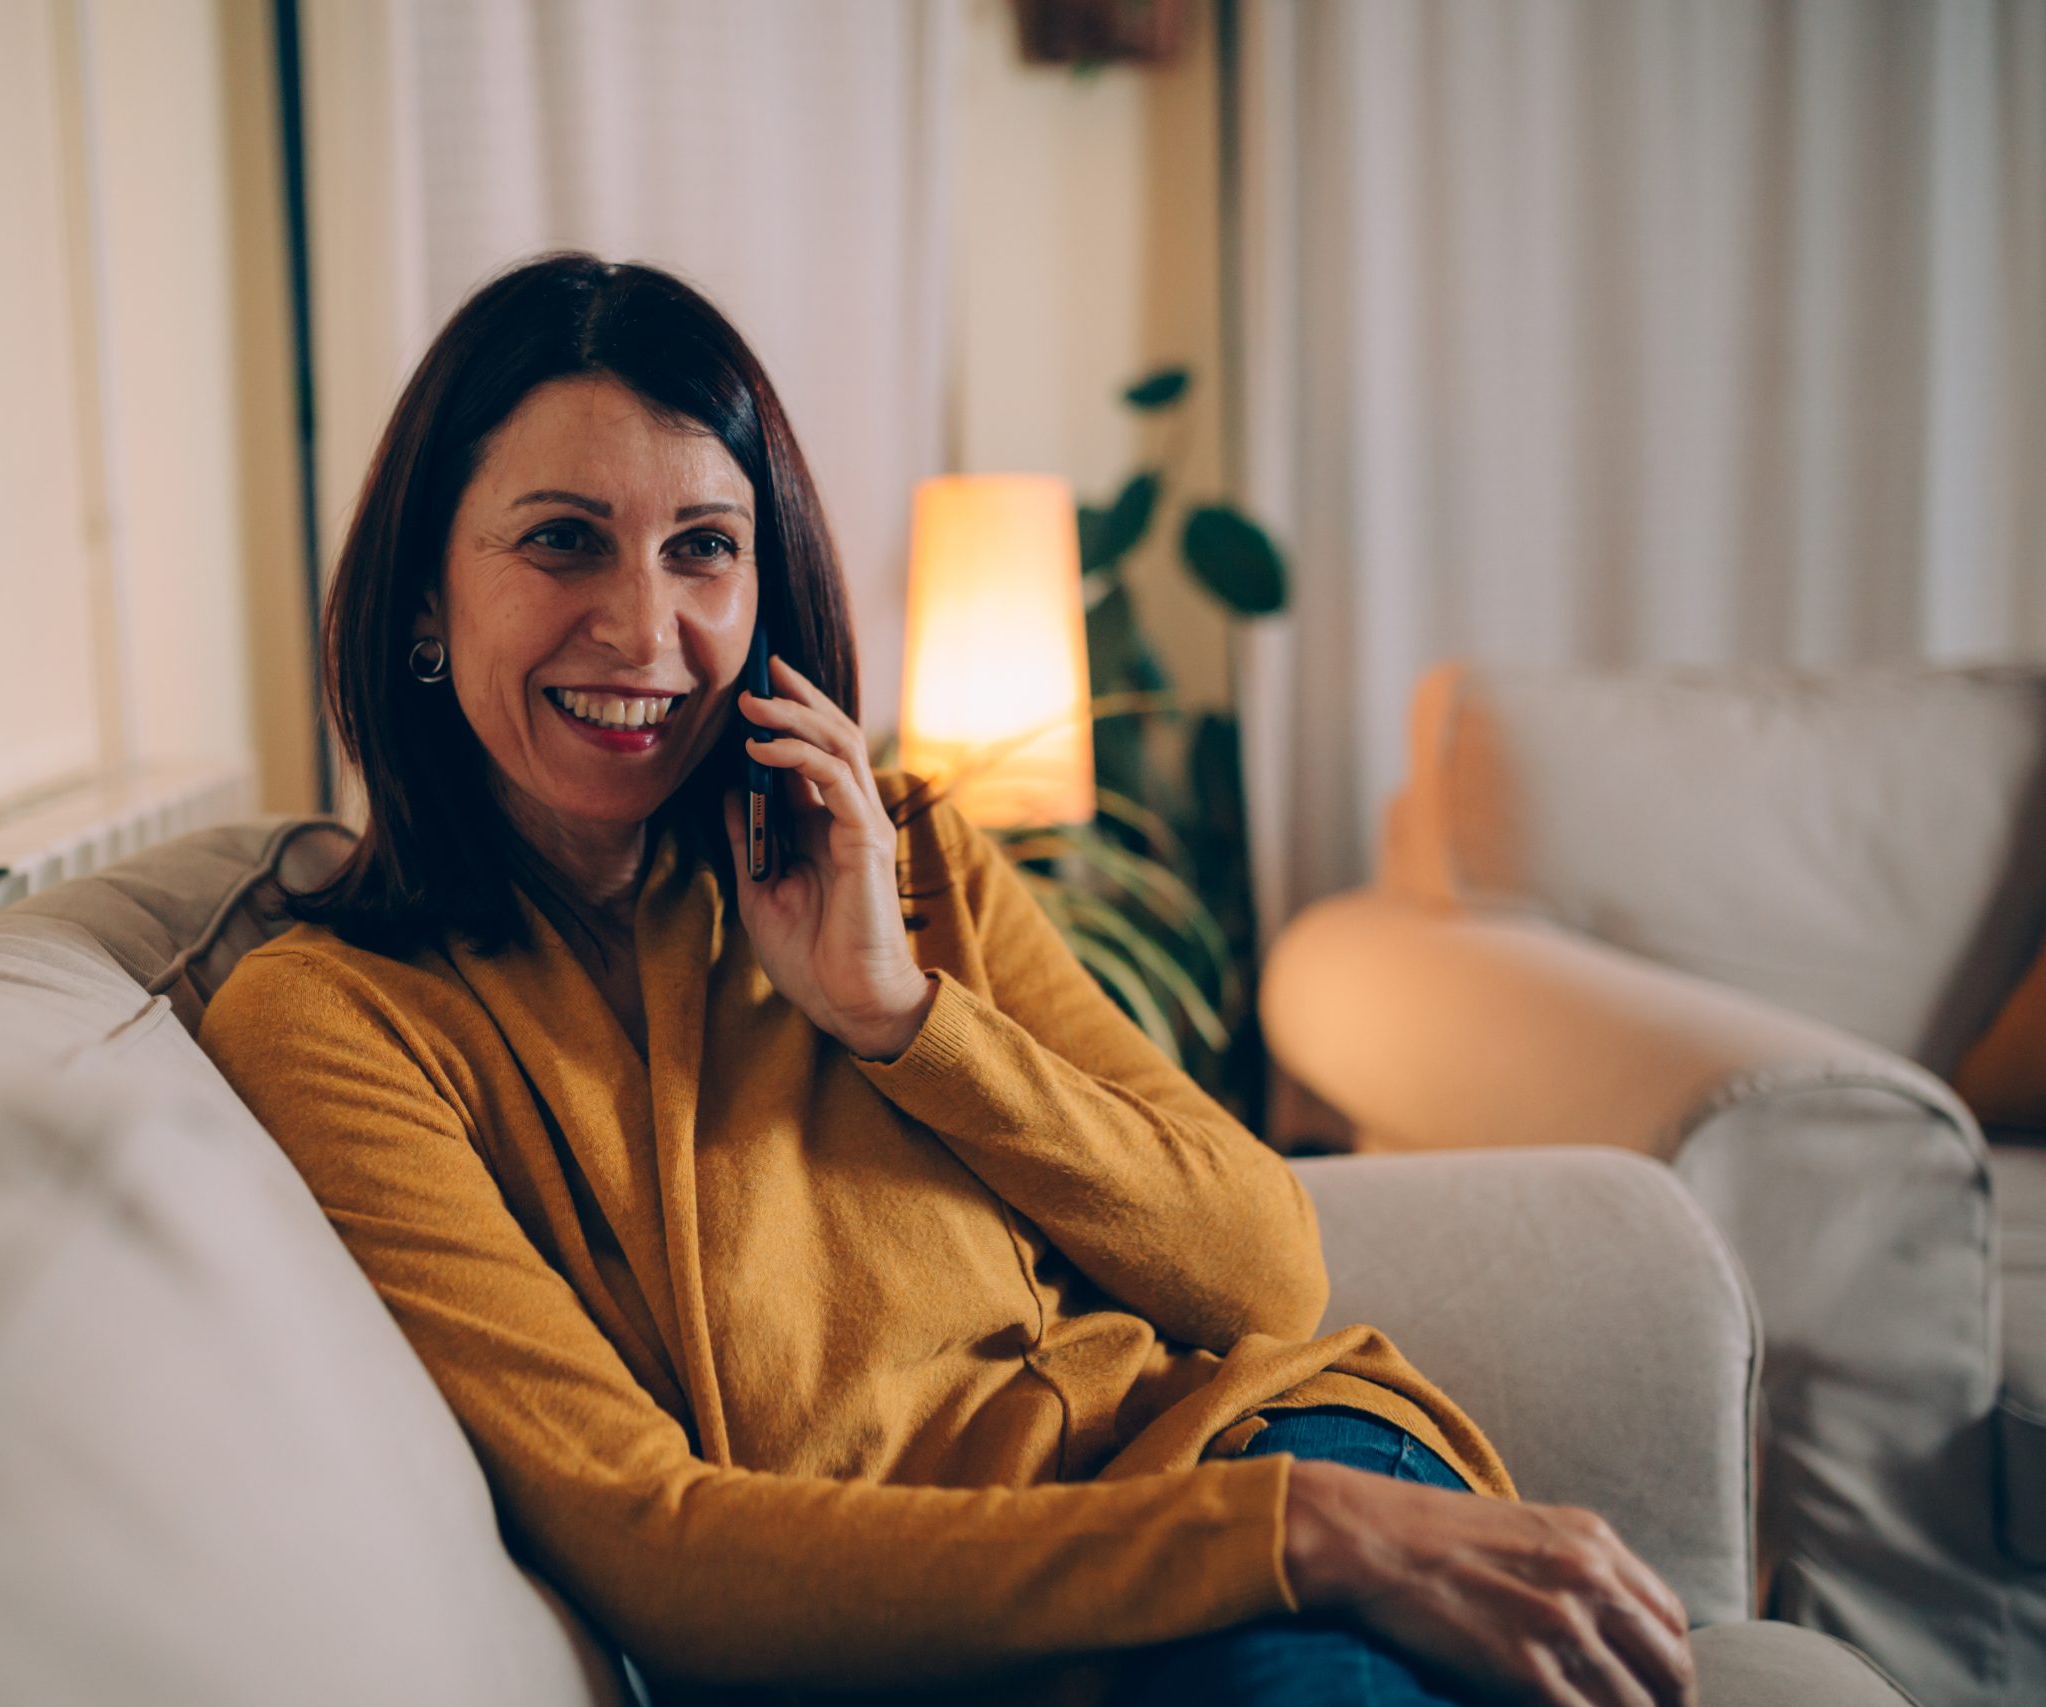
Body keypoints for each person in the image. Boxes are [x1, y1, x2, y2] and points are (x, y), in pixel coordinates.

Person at [199, 252, 1695, 1707]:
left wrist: (898, 1016)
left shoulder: (904, 854)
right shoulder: (345, 1020)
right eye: (562, 539)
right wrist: (1290, 1538)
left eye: (704, 547)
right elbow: (658, 1547)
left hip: (1270, 1469)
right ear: (418, 603)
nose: (647, 631)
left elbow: (1267, 1273)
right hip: (1184, 1567)